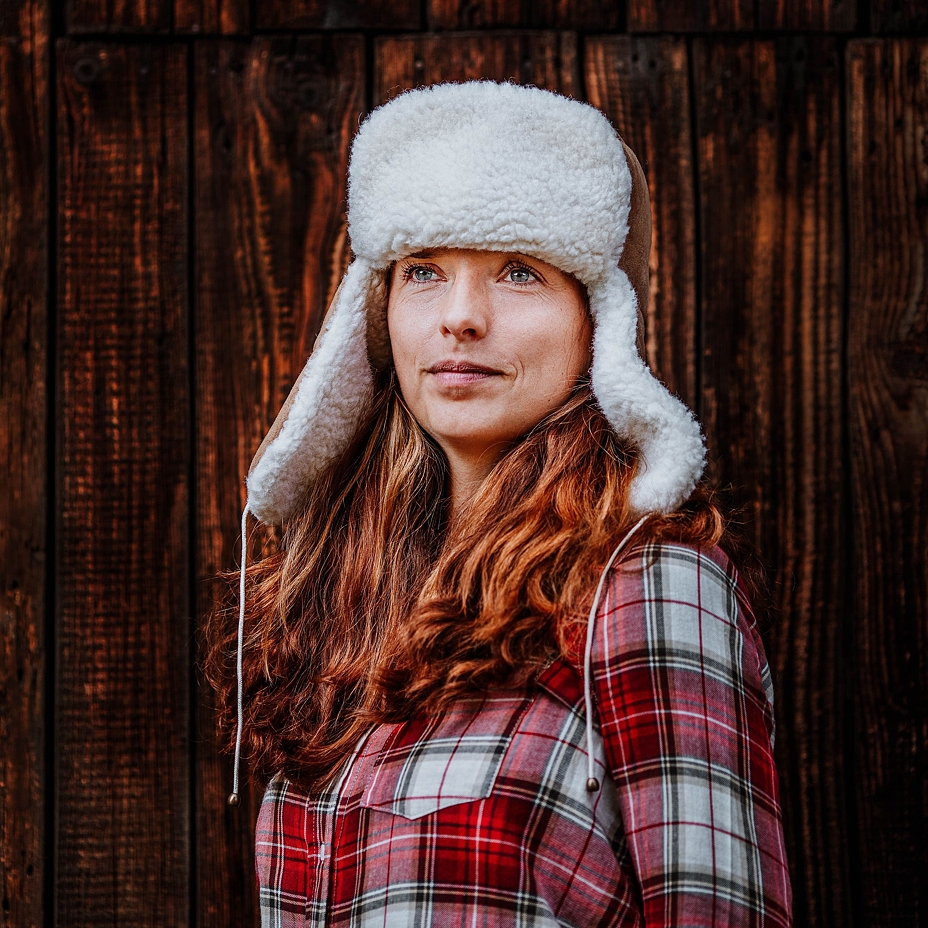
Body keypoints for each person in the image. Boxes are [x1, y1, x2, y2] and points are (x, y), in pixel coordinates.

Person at [205, 80, 792, 927]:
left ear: (597, 320)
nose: (460, 318)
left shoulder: (646, 586)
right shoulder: (343, 599)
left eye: (519, 272)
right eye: (424, 271)